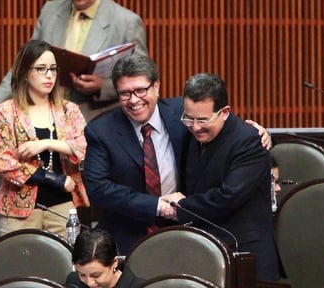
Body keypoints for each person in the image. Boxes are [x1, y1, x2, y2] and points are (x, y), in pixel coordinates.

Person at [83, 55, 272, 255]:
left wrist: (258, 132)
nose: (134, 100)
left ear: (156, 87)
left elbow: (219, 122)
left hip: (191, 237)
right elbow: (98, 188)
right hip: (128, 239)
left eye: (140, 90)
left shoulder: (183, 114)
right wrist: (157, 206)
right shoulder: (101, 131)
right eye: (125, 93)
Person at [162, 73, 280, 281]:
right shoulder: (189, 130)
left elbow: (229, 196)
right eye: (189, 118)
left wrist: (183, 206)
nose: (195, 127)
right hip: (205, 252)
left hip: (244, 255)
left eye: (203, 120)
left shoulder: (249, 141)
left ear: (224, 112)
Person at [0, 0, 148, 130]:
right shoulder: (50, 10)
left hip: (97, 125)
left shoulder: (126, 22)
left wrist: (102, 86)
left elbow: (142, 78)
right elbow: (26, 62)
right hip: (45, 120)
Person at [0, 40, 89, 238]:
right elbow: (5, 164)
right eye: (41, 69)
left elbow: (85, 148)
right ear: (25, 73)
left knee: (68, 265)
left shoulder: (69, 110)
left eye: (53, 69)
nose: (49, 75)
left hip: (63, 208)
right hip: (19, 210)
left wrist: (46, 143)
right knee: (20, 267)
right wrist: (56, 179)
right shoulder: (6, 112)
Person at [65, 229, 144, 288]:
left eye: (96, 275)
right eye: (82, 275)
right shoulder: (73, 282)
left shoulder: (141, 286)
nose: (90, 283)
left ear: (114, 263)